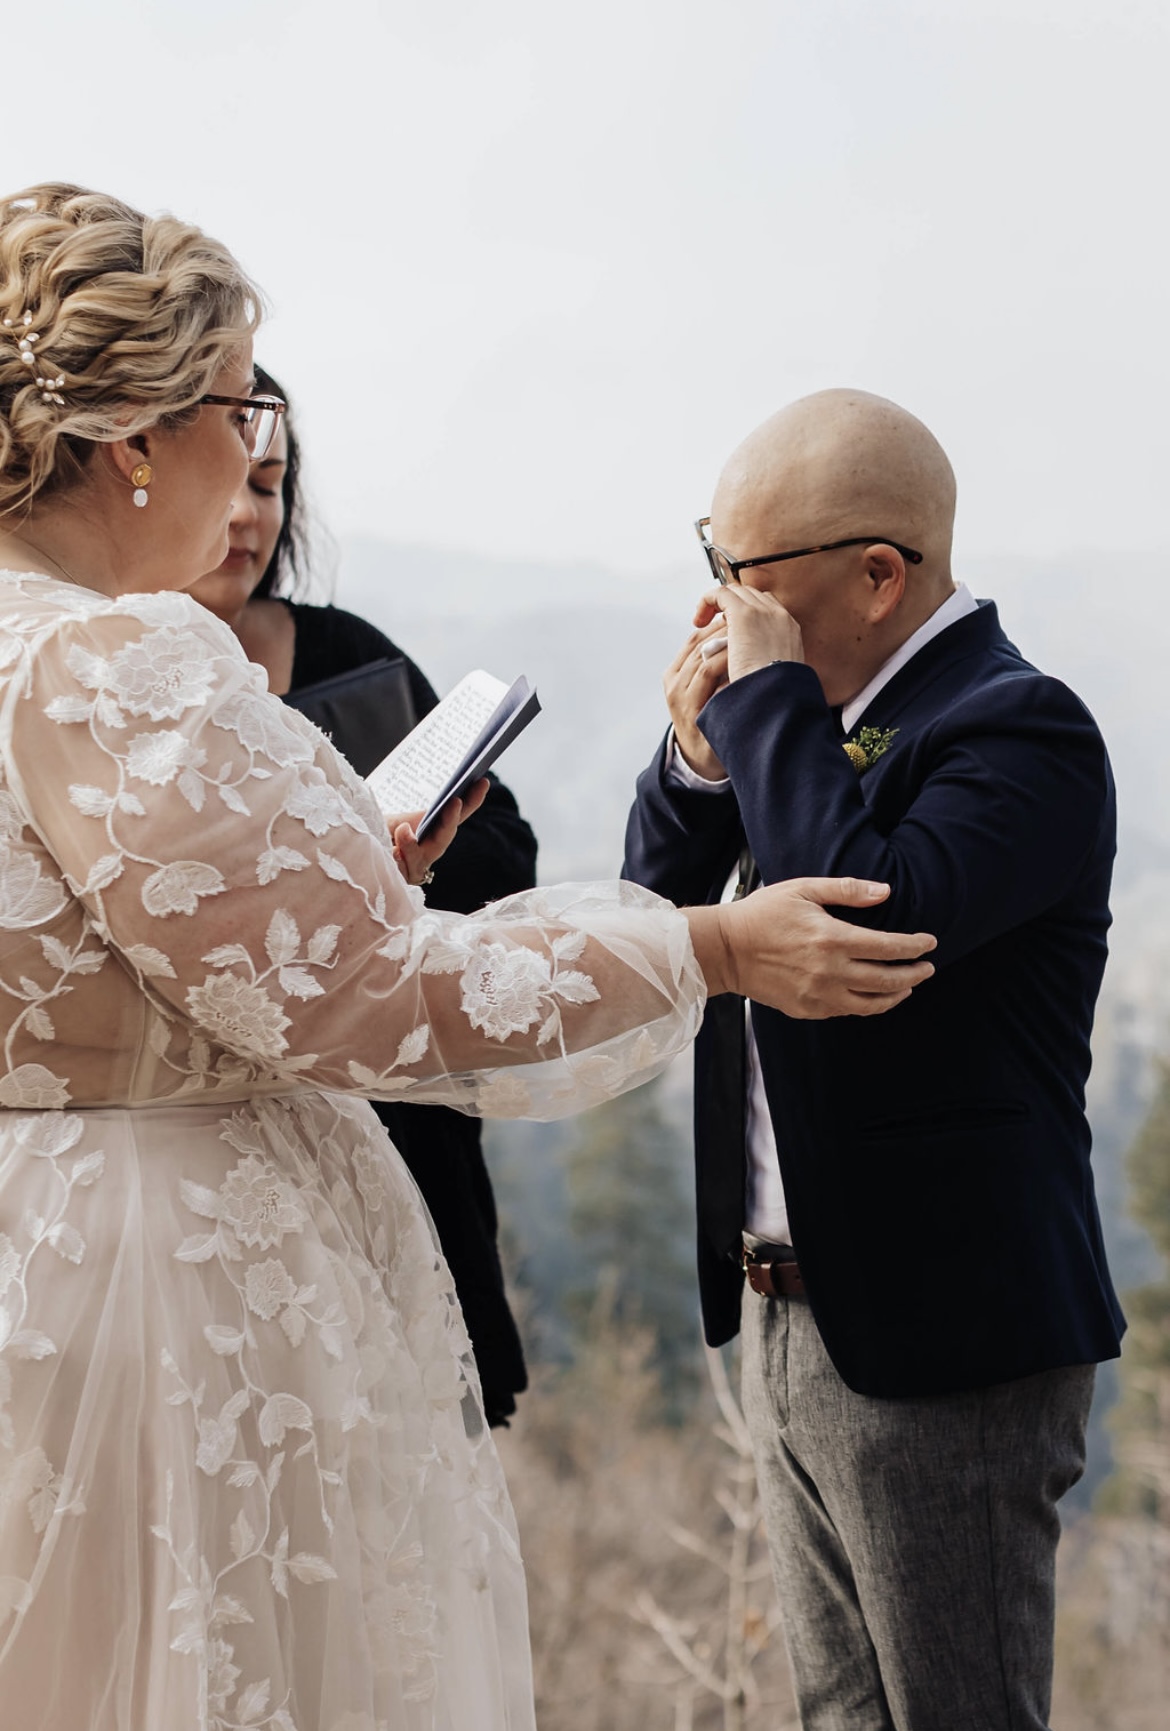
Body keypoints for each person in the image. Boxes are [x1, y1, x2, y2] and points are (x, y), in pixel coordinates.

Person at [0, 188, 937, 1731]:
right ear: (136, 440)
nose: (255, 458)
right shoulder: (118, 654)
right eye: (239, 404)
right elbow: (372, 1001)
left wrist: (331, 876)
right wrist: (702, 943)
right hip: (166, 1301)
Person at [623, 387, 1124, 1731]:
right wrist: (696, 757)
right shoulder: (790, 731)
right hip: (791, 1306)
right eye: (713, 565)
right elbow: (653, 910)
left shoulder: (1019, 727)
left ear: (878, 573)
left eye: (745, 578)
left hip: (944, 1328)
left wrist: (773, 700)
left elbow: (859, 915)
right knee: (838, 1713)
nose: (721, 606)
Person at [190, 372, 536, 1426]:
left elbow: (506, 846)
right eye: (229, 481)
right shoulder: (110, 684)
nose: (251, 514)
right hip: (207, 1172)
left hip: (399, 1137)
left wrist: (384, 851)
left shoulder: (348, 653)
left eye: (272, 483)